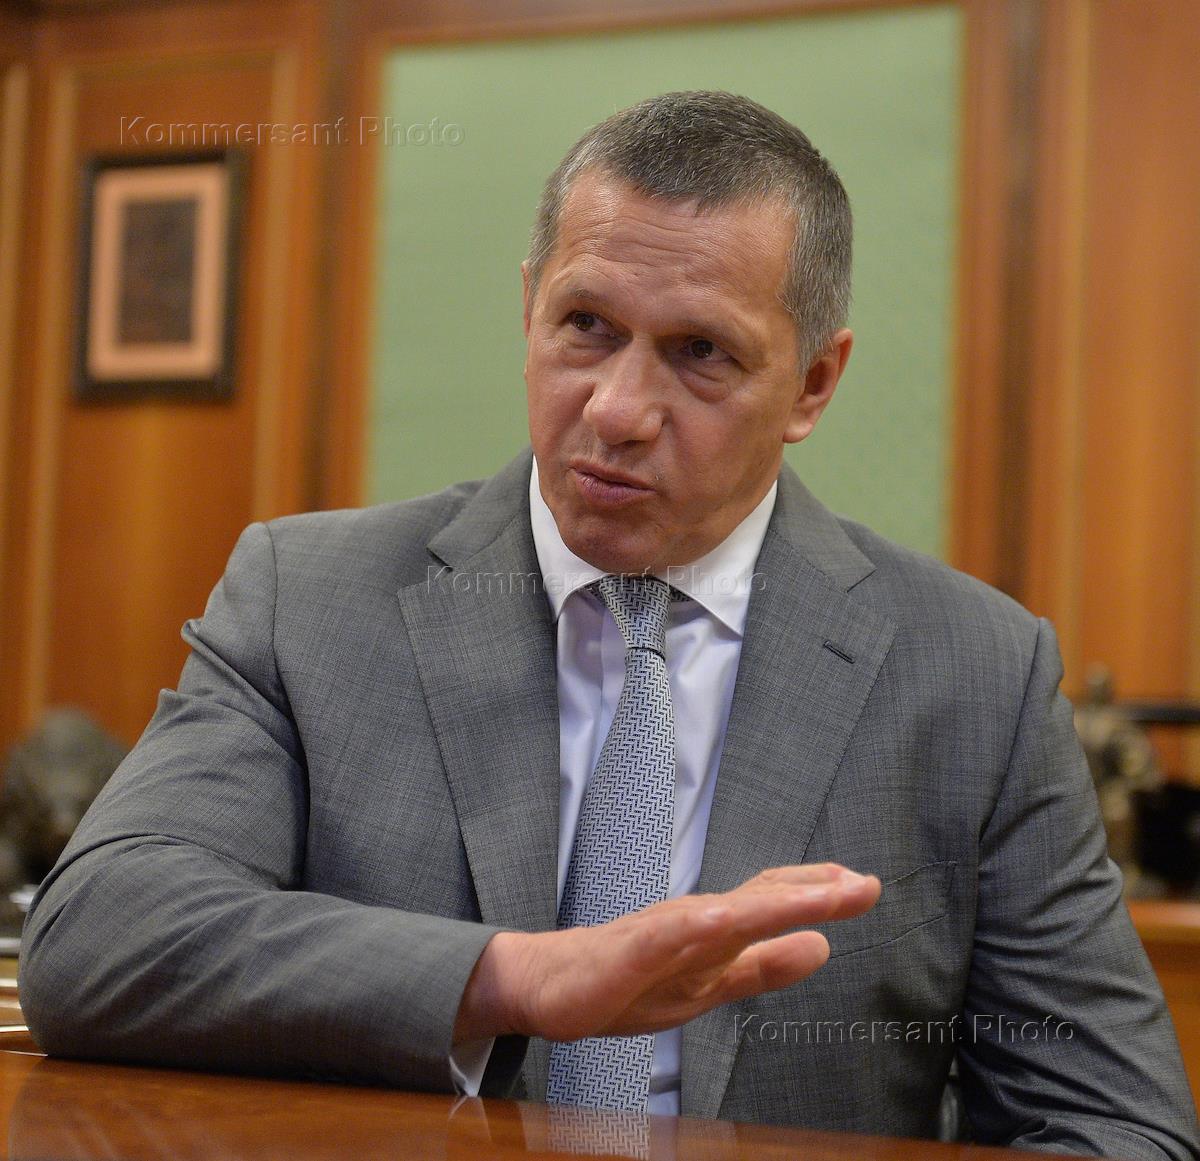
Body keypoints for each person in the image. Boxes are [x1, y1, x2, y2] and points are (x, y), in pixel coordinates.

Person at [19, 92, 1199, 1158]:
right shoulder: (312, 597)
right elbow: (99, 942)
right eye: (586, 325)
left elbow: (1114, 1121)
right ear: (529, 304)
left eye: (700, 354)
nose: (620, 409)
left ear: (813, 384)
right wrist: (510, 979)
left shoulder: (977, 673)